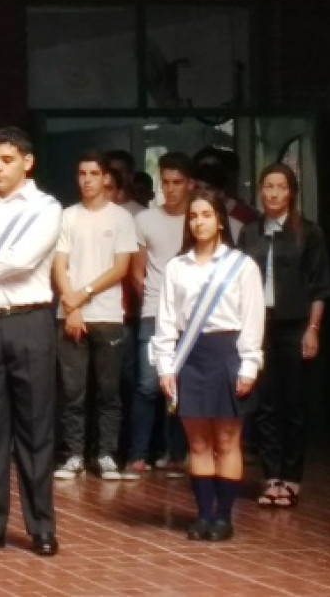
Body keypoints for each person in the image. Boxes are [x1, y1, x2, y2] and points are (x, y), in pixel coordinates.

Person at [0, 126, 62, 558]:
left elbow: (23, 261)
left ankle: (41, 525)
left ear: (27, 161)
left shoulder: (46, 207)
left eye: (6, 160)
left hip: (30, 320)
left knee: (36, 427)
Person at [152, 188, 265, 541]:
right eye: (193, 216)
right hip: (191, 355)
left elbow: (253, 318)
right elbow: (166, 320)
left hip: (228, 352)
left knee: (228, 441)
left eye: (206, 215)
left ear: (219, 221)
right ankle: (203, 515)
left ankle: (224, 516)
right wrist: (165, 366)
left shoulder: (241, 265)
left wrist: (249, 364)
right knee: (197, 443)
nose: (199, 222)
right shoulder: (176, 266)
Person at [238, 164, 330, 508]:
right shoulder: (250, 233)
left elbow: (319, 286)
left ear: (291, 192)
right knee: (264, 404)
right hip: (259, 325)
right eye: (268, 187)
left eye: (280, 187)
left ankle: (292, 477)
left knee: (293, 403)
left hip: (295, 324)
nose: (274, 193)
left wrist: (313, 328)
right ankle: (271, 476)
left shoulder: (308, 233)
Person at [53, 152, 137, 480]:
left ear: (106, 178)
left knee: (108, 390)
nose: (86, 179)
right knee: (72, 391)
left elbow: (121, 268)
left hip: (107, 315)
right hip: (71, 316)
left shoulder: (121, 219)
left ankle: (105, 454)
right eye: (81, 173)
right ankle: (73, 454)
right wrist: (71, 308)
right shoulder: (67, 216)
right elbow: (58, 264)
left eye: (93, 173)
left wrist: (81, 295)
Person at [125, 152, 194, 478]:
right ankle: (139, 455)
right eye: (165, 182)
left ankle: (177, 454)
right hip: (154, 312)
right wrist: (154, 304)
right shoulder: (146, 220)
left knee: (184, 385)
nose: (170, 189)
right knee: (148, 385)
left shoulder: (198, 218)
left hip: (192, 316)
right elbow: (137, 272)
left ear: (190, 184)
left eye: (177, 182)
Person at [107, 149, 146, 216]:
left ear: (130, 176)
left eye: (118, 172)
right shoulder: (93, 212)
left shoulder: (142, 214)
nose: (113, 176)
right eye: (110, 172)